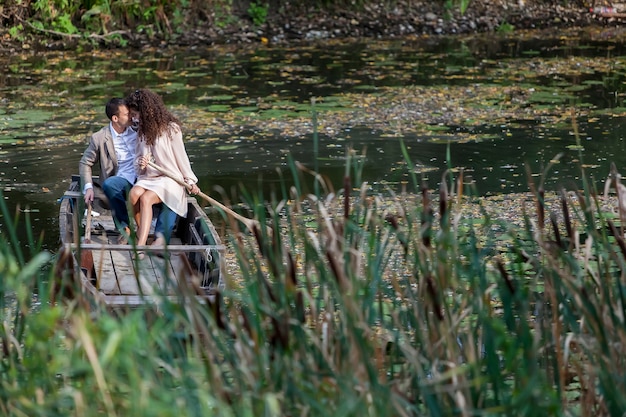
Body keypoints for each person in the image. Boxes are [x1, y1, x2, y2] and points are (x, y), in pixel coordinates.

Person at [78, 97, 177, 244]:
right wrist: (88, 187)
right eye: (127, 114)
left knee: (173, 192)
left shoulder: (141, 129)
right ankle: (124, 227)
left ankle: (159, 237)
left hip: (148, 177)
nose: (131, 117)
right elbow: (85, 162)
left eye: (131, 113)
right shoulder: (99, 138)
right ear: (115, 118)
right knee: (110, 184)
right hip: (124, 180)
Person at [125, 89, 200, 258]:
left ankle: (141, 245)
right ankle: (142, 232)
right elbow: (137, 164)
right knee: (134, 194)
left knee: (146, 198)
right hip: (149, 178)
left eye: (136, 114)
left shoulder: (171, 129)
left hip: (170, 178)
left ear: (146, 111)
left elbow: (182, 157)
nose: (134, 118)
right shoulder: (142, 133)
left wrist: (190, 180)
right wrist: (141, 164)